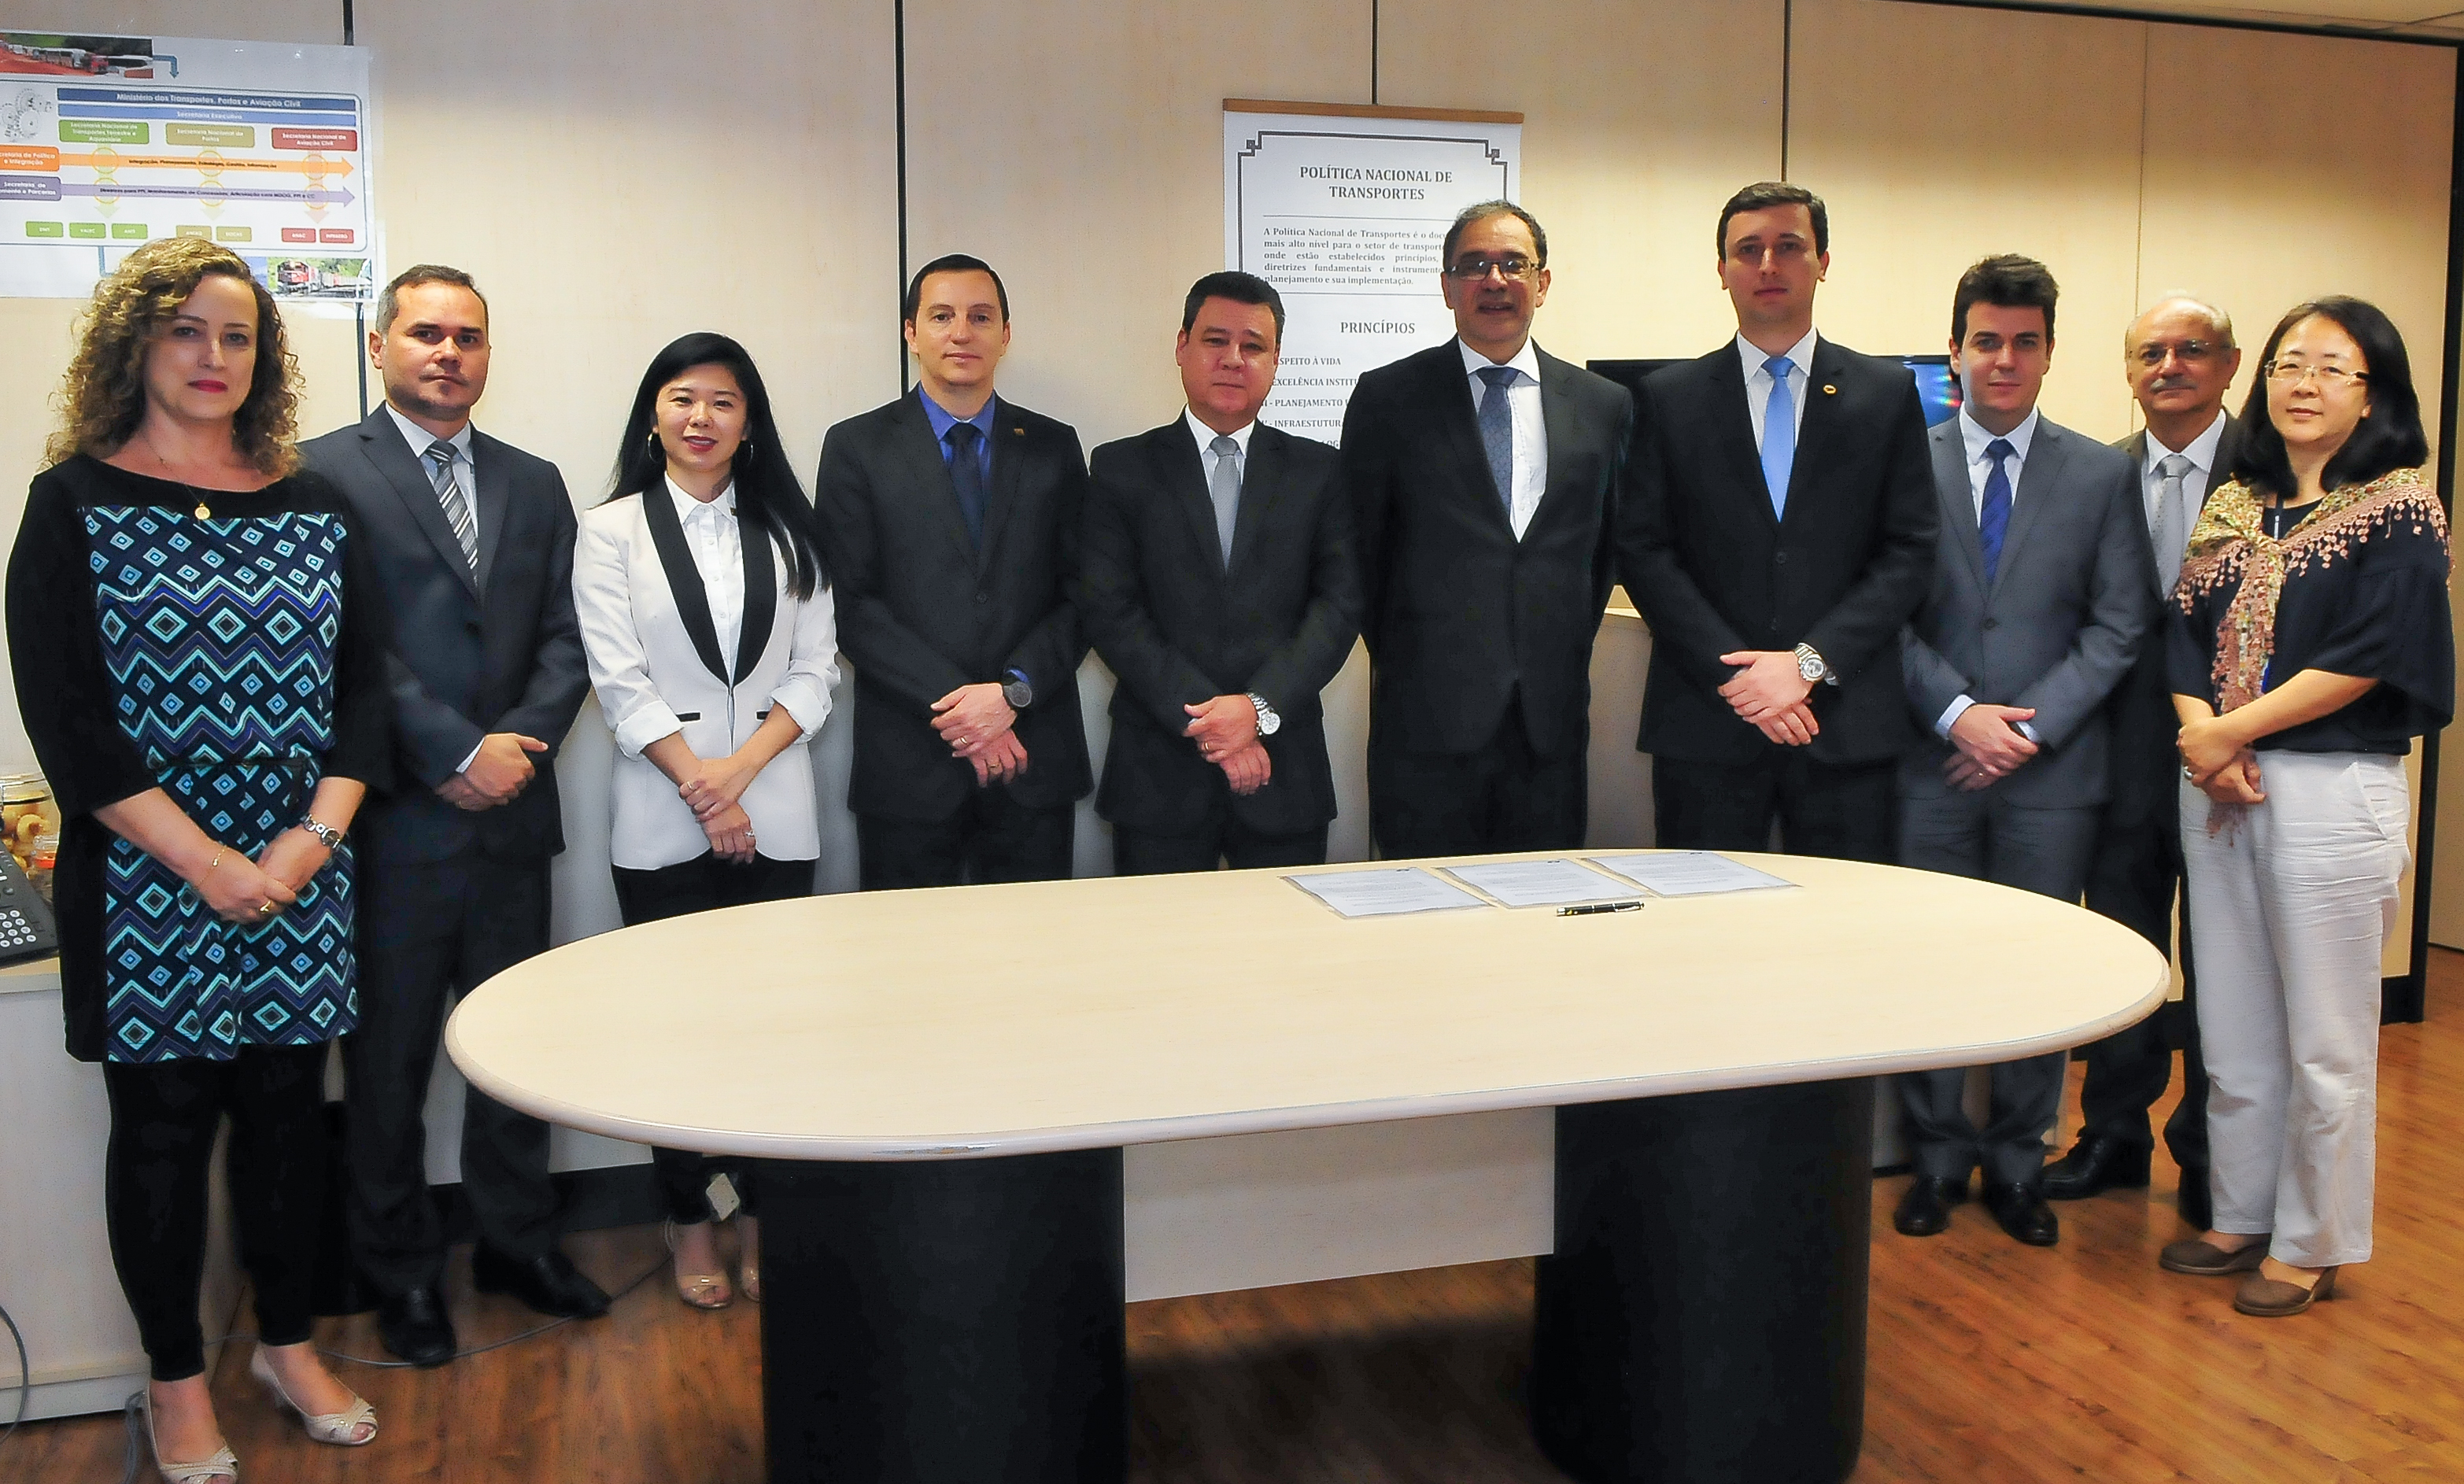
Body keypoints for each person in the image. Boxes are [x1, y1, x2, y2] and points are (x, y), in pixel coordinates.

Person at [6, 237, 386, 1480]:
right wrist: (209, 862)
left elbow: (363, 694)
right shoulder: (70, 503)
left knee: (286, 1123)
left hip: (300, 870)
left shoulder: (315, 502)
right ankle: (175, 1380)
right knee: (163, 1138)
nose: (212, 355)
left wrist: (307, 840)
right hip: (145, 882)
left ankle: (286, 1343)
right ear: (135, 344)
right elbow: (71, 723)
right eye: (184, 329)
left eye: (236, 335)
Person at [299, 265, 604, 1366]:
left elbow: (570, 633)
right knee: (387, 1067)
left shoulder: (534, 479)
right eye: (425, 332)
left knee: (518, 1049)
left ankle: (518, 1242)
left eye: (467, 336)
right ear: (378, 345)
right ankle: (402, 1273)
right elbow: (341, 641)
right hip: (396, 822)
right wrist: (455, 750)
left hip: (513, 819)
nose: (448, 352)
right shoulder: (319, 471)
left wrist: (514, 745)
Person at [2160, 297, 2449, 1317]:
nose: (2302, 383)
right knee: (2229, 1020)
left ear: (2372, 393)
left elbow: (2370, 653)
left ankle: (2312, 1239)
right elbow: (2179, 633)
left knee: (2324, 1036)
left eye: (2331, 366)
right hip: (2218, 785)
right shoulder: (2232, 503)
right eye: (2288, 363)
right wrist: (2203, 734)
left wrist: (2229, 732)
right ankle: (2239, 1212)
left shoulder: (2399, 507)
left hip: (2330, 786)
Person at [1889, 256, 2152, 1248]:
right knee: (1928, 966)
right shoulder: (1898, 461)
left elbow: (2118, 624)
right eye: (1985, 340)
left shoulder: (2099, 473)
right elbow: (1878, 614)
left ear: (2048, 352)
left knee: (2037, 970)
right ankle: (1933, 1158)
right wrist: (1957, 712)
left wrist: (2024, 729)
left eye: (2023, 342)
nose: (2003, 359)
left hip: (2051, 774)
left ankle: (2014, 1163)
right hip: (1930, 765)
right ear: (1954, 349)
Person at [573, 332, 838, 1307]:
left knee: (776, 1032)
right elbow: (618, 680)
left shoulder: (793, 531)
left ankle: (766, 1214)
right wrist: (704, 788)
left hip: (778, 806)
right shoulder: (608, 531)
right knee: (675, 1031)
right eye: (682, 398)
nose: (700, 417)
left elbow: (816, 671)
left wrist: (739, 773)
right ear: (654, 414)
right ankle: (688, 1220)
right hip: (661, 812)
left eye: (722, 401)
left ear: (748, 421)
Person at [1618, 182, 1936, 861]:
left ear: (1823, 262)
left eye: (1788, 247)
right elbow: (1644, 550)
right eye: (1748, 250)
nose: (1767, 265)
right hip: (1707, 719)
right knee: (1705, 917)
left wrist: (1809, 663)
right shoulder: (1668, 399)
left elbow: (1908, 549)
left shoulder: (1885, 394)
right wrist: (1742, 679)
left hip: (1845, 724)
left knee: (1848, 918)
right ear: (1721, 270)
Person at [1340, 201, 1631, 857]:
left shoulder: (1602, 404)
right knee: (1422, 905)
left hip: (1549, 726)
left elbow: (1603, 553)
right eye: (1472, 265)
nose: (1493, 280)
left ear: (1542, 283)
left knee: (1540, 903)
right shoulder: (1388, 399)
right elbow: (1361, 555)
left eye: (1512, 264)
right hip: (1425, 726)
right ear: (1447, 286)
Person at [2042, 296, 2245, 1228]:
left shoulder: (2272, 472)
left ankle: (2209, 1152)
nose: (2169, 366)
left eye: (2190, 349)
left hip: (2235, 756)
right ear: (2127, 372)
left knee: (2222, 960)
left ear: (2228, 365)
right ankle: (2112, 1136)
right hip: (2120, 753)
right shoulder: (2098, 475)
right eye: (2149, 352)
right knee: (2125, 947)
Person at [814, 254, 1091, 886]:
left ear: (1005, 334)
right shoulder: (856, 447)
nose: (961, 332)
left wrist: (1012, 693)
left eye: (980, 317)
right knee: (906, 948)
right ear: (910, 333)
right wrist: (966, 711)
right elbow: (850, 604)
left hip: (1032, 756)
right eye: (941, 316)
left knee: (1035, 944)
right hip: (908, 764)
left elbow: (1082, 595)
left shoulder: (1053, 446)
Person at [1078, 272, 1361, 872]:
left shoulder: (1320, 472)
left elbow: (1337, 609)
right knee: (1159, 935)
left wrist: (1256, 710)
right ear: (1181, 347)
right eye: (1215, 341)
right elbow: (1110, 611)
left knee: (1284, 933)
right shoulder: (1121, 468)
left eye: (1253, 346)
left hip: (1283, 770)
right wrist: (1214, 723)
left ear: (1276, 361)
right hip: (1158, 772)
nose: (1234, 359)